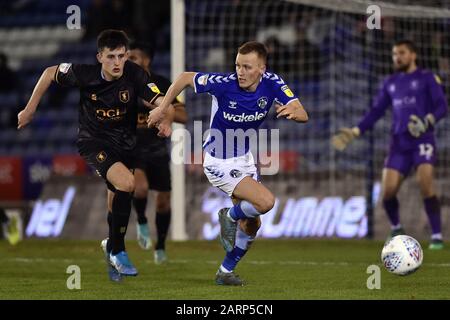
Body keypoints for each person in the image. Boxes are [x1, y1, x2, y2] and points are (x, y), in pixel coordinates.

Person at [17, 29, 174, 282]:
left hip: (125, 145)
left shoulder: (135, 74)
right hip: (93, 142)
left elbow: (161, 101)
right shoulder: (84, 74)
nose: (117, 63)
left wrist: (164, 118)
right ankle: (119, 251)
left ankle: (109, 246)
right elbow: (49, 73)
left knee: (115, 201)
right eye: (111, 57)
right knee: (127, 184)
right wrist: (29, 109)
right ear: (99, 56)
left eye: (121, 56)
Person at [148, 41, 308, 285]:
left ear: (262, 68)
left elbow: (302, 112)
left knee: (253, 223)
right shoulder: (223, 84)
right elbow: (184, 78)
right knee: (266, 202)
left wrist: (295, 114)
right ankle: (229, 215)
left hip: (244, 159)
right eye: (237, 65)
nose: (240, 72)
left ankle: (225, 272)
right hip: (218, 160)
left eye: (247, 67)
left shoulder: (273, 82)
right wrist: (163, 108)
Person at [332, 39, 448, 250]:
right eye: (395, 54)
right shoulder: (390, 82)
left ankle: (437, 236)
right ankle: (396, 228)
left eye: (402, 53)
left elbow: (442, 106)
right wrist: (356, 130)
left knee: (426, 185)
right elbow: (376, 111)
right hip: (399, 143)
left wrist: (427, 121)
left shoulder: (427, 78)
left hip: (422, 140)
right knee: (388, 192)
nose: (397, 57)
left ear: (413, 55)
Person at [128, 41, 187, 264]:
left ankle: (161, 245)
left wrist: (159, 108)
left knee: (163, 202)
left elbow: (183, 116)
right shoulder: (122, 84)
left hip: (157, 150)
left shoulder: (162, 84)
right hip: (133, 150)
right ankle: (142, 220)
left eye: (133, 57)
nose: (128, 61)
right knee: (140, 188)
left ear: (146, 60)